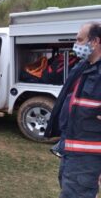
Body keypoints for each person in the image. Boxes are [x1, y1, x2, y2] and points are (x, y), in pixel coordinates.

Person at [45, 22, 101, 198]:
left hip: (88, 159)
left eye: (80, 40)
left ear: (95, 42)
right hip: (70, 151)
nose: (76, 45)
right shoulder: (82, 67)